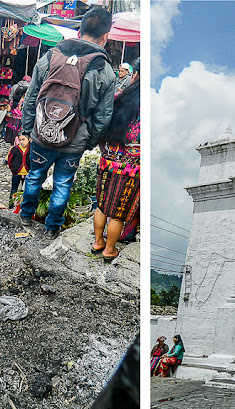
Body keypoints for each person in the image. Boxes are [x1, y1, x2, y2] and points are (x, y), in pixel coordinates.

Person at [20, 7, 116, 239]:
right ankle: (52, 228)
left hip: (41, 134)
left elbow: (31, 97)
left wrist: (27, 128)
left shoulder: (50, 56)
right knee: (63, 184)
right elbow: (103, 117)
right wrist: (87, 141)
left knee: (34, 176)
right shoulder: (104, 70)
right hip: (73, 141)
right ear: (105, 36)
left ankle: (24, 217)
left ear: (79, 30)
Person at [92, 59, 139, 262]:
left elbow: (101, 126)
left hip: (107, 161)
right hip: (130, 169)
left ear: (134, 75)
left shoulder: (118, 99)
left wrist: (106, 151)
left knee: (102, 205)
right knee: (118, 212)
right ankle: (109, 249)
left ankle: (97, 241)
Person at [5, 132, 31, 208]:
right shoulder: (15, 149)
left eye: (23, 139)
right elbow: (10, 160)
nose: (22, 142)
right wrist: (13, 169)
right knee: (14, 189)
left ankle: (22, 205)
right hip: (17, 173)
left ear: (29, 139)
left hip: (27, 173)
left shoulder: (31, 149)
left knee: (25, 190)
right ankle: (11, 204)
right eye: (20, 140)